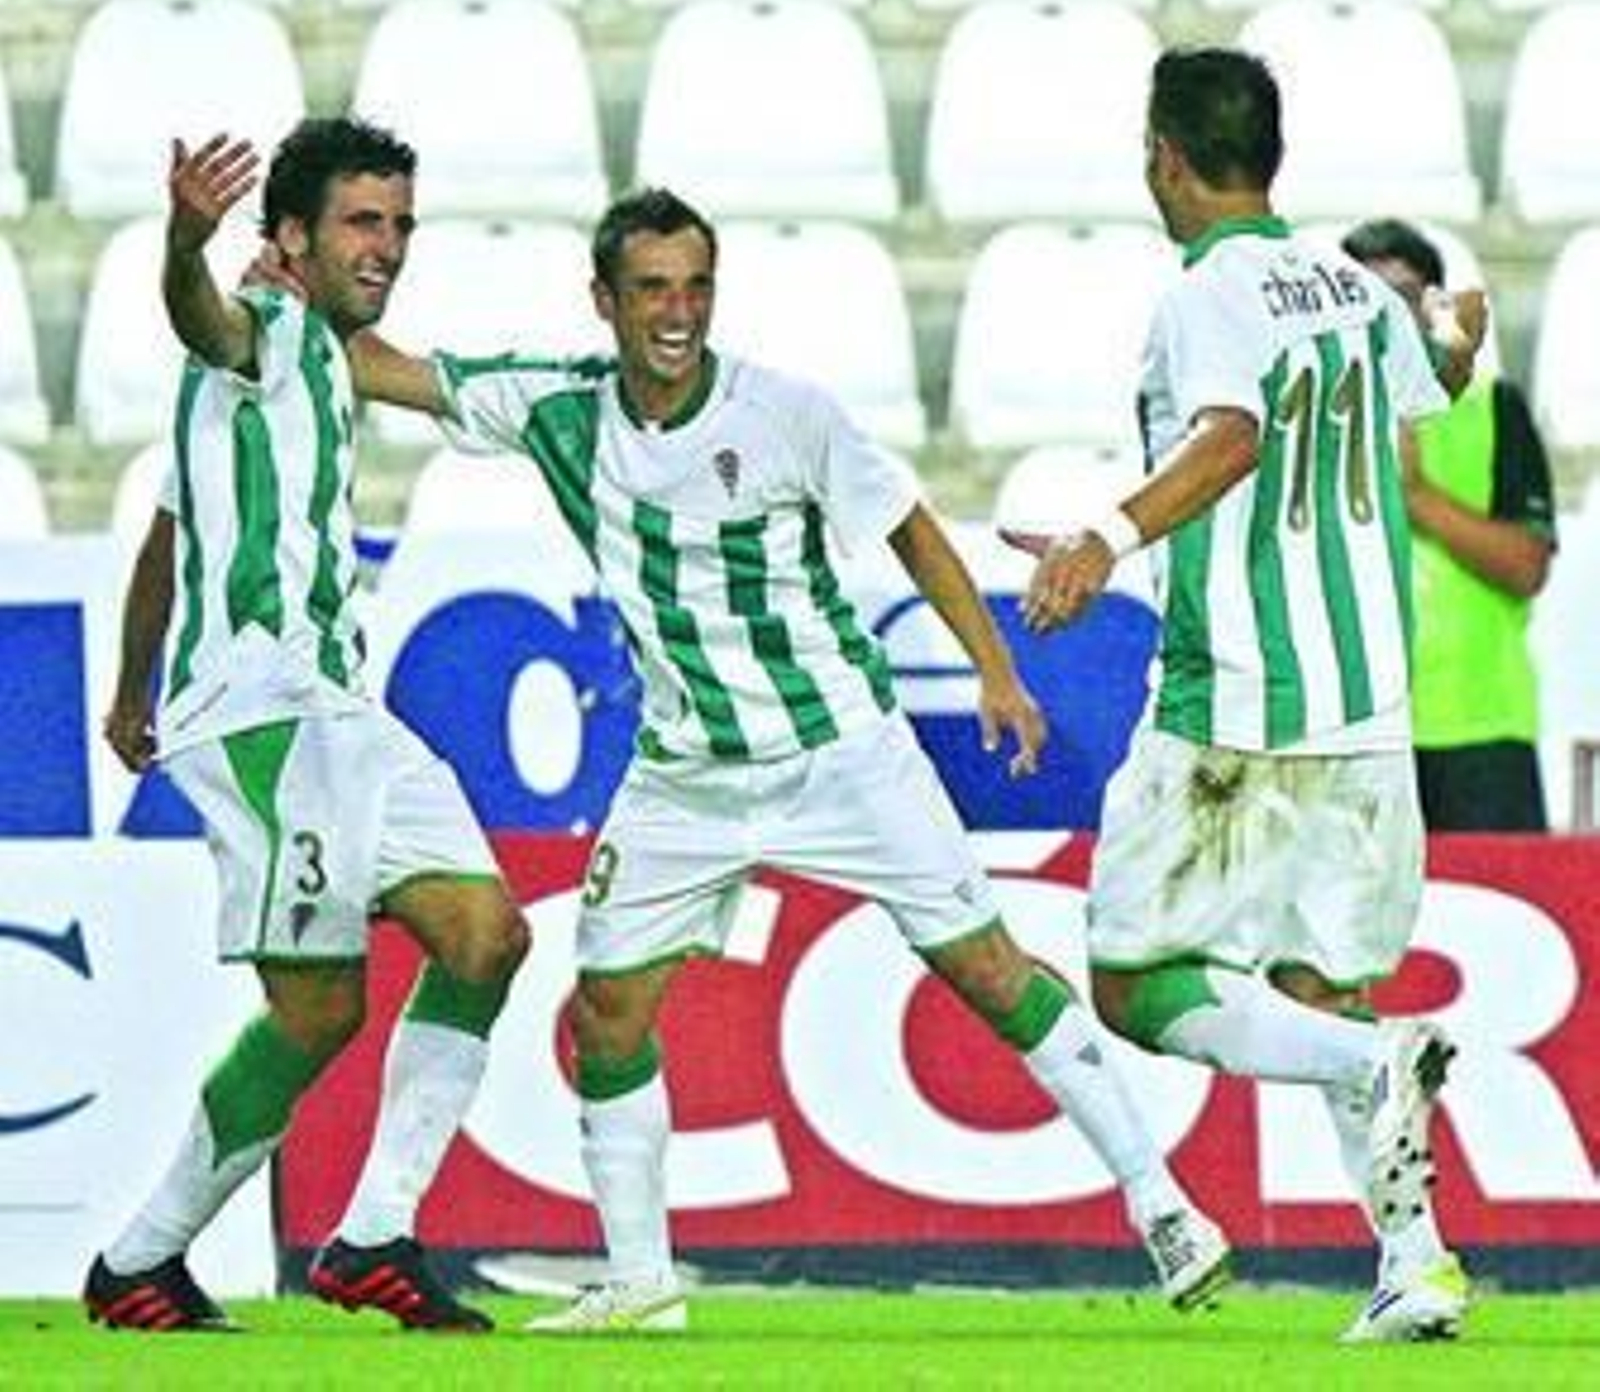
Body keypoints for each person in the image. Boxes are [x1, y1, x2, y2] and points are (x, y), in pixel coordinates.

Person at [344, 186, 1232, 1332]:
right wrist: (285, 301)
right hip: (683, 775)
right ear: (604, 299)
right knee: (607, 1006)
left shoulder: (786, 414)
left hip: (840, 753)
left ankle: (1164, 1204)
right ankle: (641, 1280)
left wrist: (992, 671)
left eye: (696, 287)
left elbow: (909, 522)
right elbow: (389, 368)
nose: (678, 312)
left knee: (988, 971)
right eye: (653, 289)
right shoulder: (555, 407)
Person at [1002, 49, 1471, 1345]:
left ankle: (1372, 1072)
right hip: (1369, 703)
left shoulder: (1207, 290)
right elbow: (1437, 382)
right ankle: (1416, 1262)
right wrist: (1461, 340)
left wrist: (1102, 533)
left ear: (1163, 154)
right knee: (1324, 983)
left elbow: (1232, 435)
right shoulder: (1361, 291)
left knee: (1132, 978)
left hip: (1236, 702)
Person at [84, 122, 529, 1333]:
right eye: (359, 223)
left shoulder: (318, 362)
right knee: (320, 1005)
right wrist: (183, 240)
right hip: (267, 715)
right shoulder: (263, 332)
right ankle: (139, 1259)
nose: (384, 246)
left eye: (398, 225)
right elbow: (200, 316)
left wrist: (129, 690)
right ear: (287, 237)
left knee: (486, 936)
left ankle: (374, 1233)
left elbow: (167, 540)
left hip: (344, 714)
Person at [1341, 218, 1556, 831]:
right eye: (1363, 296)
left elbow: (1526, 566)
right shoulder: (1313, 417)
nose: (1385, 316)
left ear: (1437, 307)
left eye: (1404, 297)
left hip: (1478, 730)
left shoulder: (1494, 407)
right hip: (1347, 730)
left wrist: (1417, 497)